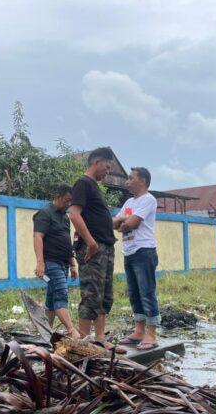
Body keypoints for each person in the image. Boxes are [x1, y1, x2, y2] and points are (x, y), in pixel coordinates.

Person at [68, 147, 125, 354]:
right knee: (91, 294)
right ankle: (83, 343)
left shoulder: (95, 188)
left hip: (105, 247)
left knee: (103, 295)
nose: (107, 172)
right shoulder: (83, 184)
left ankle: (100, 339)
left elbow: (97, 219)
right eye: (107, 167)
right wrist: (91, 243)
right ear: (97, 163)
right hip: (94, 248)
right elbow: (74, 215)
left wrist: (115, 222)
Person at [113, 168, 161, 350]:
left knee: (147, 292)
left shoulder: (148, 199)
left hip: (144, 251)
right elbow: (114, 224)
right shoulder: (128, 202)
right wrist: (125, 220)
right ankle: (139, 331)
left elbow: (131, 224)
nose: (126, 181)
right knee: (134, 293)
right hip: (130, 252)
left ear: (142, 180)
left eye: (130, 178)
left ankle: (151, 334)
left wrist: (124, 221)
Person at [33, 184, 80, 338]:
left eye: (71, 202)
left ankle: (46, 332)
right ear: (58, 196)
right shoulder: (45, 213)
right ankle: (72, 331)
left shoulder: (65, 218)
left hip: (63, 263)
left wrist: (73, 264)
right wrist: (40, 263)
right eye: (67, 200)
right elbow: (38, 237)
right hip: (50, 263)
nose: (69, 204)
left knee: (52, 297)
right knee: (61, 293)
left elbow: (67, 242)